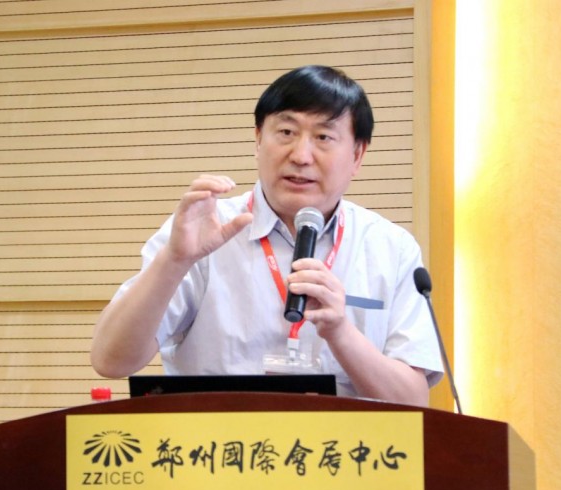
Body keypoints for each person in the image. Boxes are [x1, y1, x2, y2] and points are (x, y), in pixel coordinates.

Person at [90, 65, 442, 407]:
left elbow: (412, 402)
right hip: (218, 443)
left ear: (357, 155)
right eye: (286, 132)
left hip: (346, 446)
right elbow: (110, 360)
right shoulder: (203, 228)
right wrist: (174, 260)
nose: (301, 156)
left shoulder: (390, 248)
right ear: (259, 140)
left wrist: (341, 332)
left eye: (323, 137)